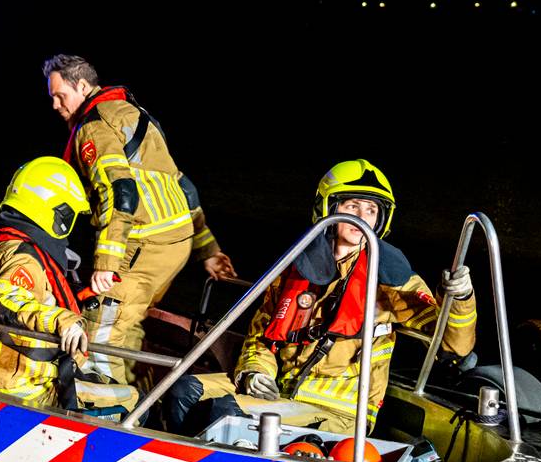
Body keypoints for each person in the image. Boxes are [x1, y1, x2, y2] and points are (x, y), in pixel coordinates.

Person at [164, 159, 477, 435]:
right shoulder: (296, 269)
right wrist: (255, 371)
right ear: (328, 208)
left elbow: (454, 345)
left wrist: (460, 297)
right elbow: (261, 335)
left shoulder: (390, 279)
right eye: (353, 206)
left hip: (340, 413)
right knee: (183, 389)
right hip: (281, 392)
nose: (362, 217)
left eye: (371, 210)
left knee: (226, 414)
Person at [42, 54, 235, 383]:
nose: (56, 105)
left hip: (143, 241)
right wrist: (208, 251)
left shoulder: (94, 127)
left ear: (84, 86)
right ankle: (136, 384)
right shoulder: (132, 113)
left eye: (61, 95)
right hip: (176, 242)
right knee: (128, 319)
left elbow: (121, 192)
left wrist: (106, 261)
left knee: (101, 330)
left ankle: (104, 408)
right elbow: (182, 185)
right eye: (52, 98)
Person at [0, 156, 139, 414]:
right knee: (133, 401)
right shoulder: (24, 256)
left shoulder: (9, 242)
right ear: (57, 212)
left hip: (22, 372)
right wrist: (65, 321)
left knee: (109, 385)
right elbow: (8, 299)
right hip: (28, 387)